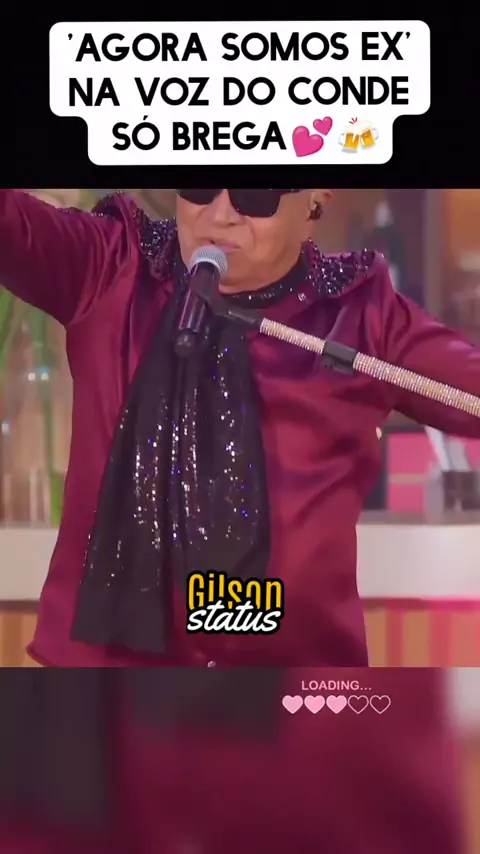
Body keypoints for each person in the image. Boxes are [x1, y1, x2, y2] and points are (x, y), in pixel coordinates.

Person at [1, 187, 480, 668]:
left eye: (255, 194)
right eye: (200, 187)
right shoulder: (112, 267)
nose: (220, 216)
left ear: (315, 200)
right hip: (102, 694)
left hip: (294, 692)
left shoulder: (361, 314)